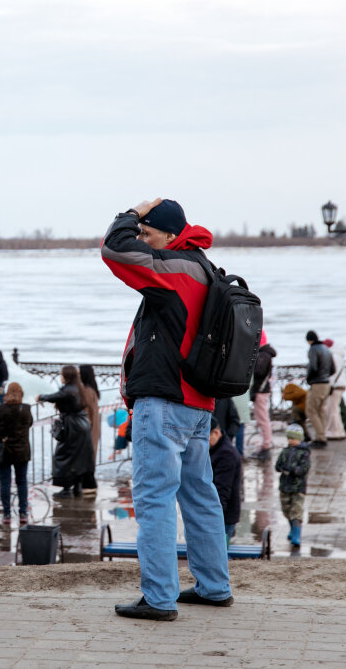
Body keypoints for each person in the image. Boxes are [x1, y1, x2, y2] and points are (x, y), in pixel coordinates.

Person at [101, 197, 232, 622]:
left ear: (171, 234)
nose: (142, 239)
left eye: (148, 232)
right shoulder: (204, 268)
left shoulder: (174, 268)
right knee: (200, 495)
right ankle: (214, 587)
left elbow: (114, 250)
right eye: (142, 232)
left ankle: (158, 598)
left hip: (165, 402)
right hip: (198, 404)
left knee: (153, 498)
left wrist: (131, 213)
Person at [37, 365, 93, 499]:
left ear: (67, 376)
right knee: (79, 457)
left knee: (65, 456)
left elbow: (55, 396)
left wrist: (40, 397)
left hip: (73, 427)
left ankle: (67, 489)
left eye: (61, 375)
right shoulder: (79, 388)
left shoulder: (69, 390)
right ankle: (77, 487)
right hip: (82, 424)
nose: (60, 377)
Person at [0, 382, 33, 526]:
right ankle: (23, 512)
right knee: (22, 482)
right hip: (22, 450)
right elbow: (30, 424)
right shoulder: (26, 409)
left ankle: (7, 514)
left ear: (7, 393)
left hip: (5, 450)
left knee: (5, 482)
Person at [275, 424, 311, 548]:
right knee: (287, 510)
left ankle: (297, 535)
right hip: (285, 486)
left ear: (299, 439)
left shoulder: (304, 453)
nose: (290, 441)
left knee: (296, 511)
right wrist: (281, 467)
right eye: (289, 438)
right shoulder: (285, 451)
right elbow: (278, 465)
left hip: (298, 487)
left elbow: (304, 469)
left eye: (293, 438)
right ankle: (292, 529)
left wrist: (292, 470)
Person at [208, 422, 242, 545]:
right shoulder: (216, 449)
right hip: (220, 512)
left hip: (224, 516)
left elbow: (222, 489)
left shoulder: (226, 455)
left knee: (218, 551)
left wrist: (215, 517)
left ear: (216, 433)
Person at [304, 330, 334, 449]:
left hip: (317, 384)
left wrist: (309, 379)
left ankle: (321, 437)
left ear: (309, 340)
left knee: (311, 410)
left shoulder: (313, 349)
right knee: (321, 410)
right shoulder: (326, 349)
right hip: (326, 383)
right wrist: (325, 375)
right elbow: (333, 369)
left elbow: (313, 367)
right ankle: (321, 436)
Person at [249, 331, 276, 461]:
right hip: (262, 390)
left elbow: (259, 372)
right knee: (262, 419)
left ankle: (266, 445)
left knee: (263, 419)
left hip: (261, 390)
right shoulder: (266, 354)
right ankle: (264, 444)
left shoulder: (263, 355)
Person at [78, 364, 102, 495]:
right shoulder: (93, 390)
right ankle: (89, 481)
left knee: (86, 455)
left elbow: (86, 412)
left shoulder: (86, 391)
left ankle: (88, 483)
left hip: (88, 428)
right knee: (91, 453)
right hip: (94, 427)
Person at [323, 339, 346, 441]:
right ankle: (338, 431)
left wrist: (328, 384)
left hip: (335, 386)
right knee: (334, 409)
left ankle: (336, 432)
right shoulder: (338, 356)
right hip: (340, 384)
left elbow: (331, 373)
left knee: (332, 410)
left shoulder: (333, 356)